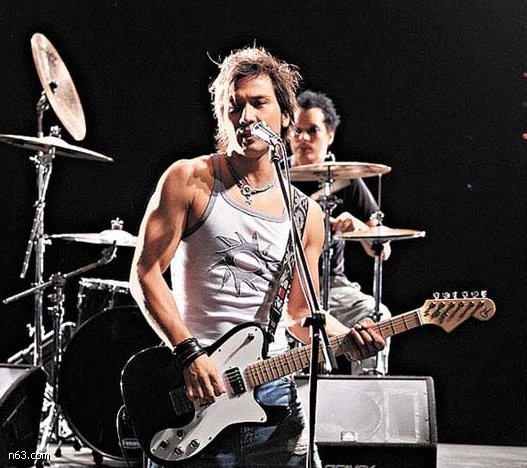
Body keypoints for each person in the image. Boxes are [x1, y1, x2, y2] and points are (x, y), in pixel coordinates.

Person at [129, 47, 385, 468]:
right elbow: (146, 273)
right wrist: (189, 353)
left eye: (258, 103)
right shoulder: (189, 180)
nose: (245, 116)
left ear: (285, 116)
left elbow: (301, 314)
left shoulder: (307, 215)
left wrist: (350, 340)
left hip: (273, 397)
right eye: (234, 106)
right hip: (198, 386)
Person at [289, 90, 392, 375]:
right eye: (297, 131)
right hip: (284, 287)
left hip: (333, 285)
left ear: (330, 135)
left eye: (313, 130)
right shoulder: (275, 179)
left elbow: (382, 250)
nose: (303, 138)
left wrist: (359, 229)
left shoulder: (346, 179)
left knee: (376, 316)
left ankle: (368, 392)